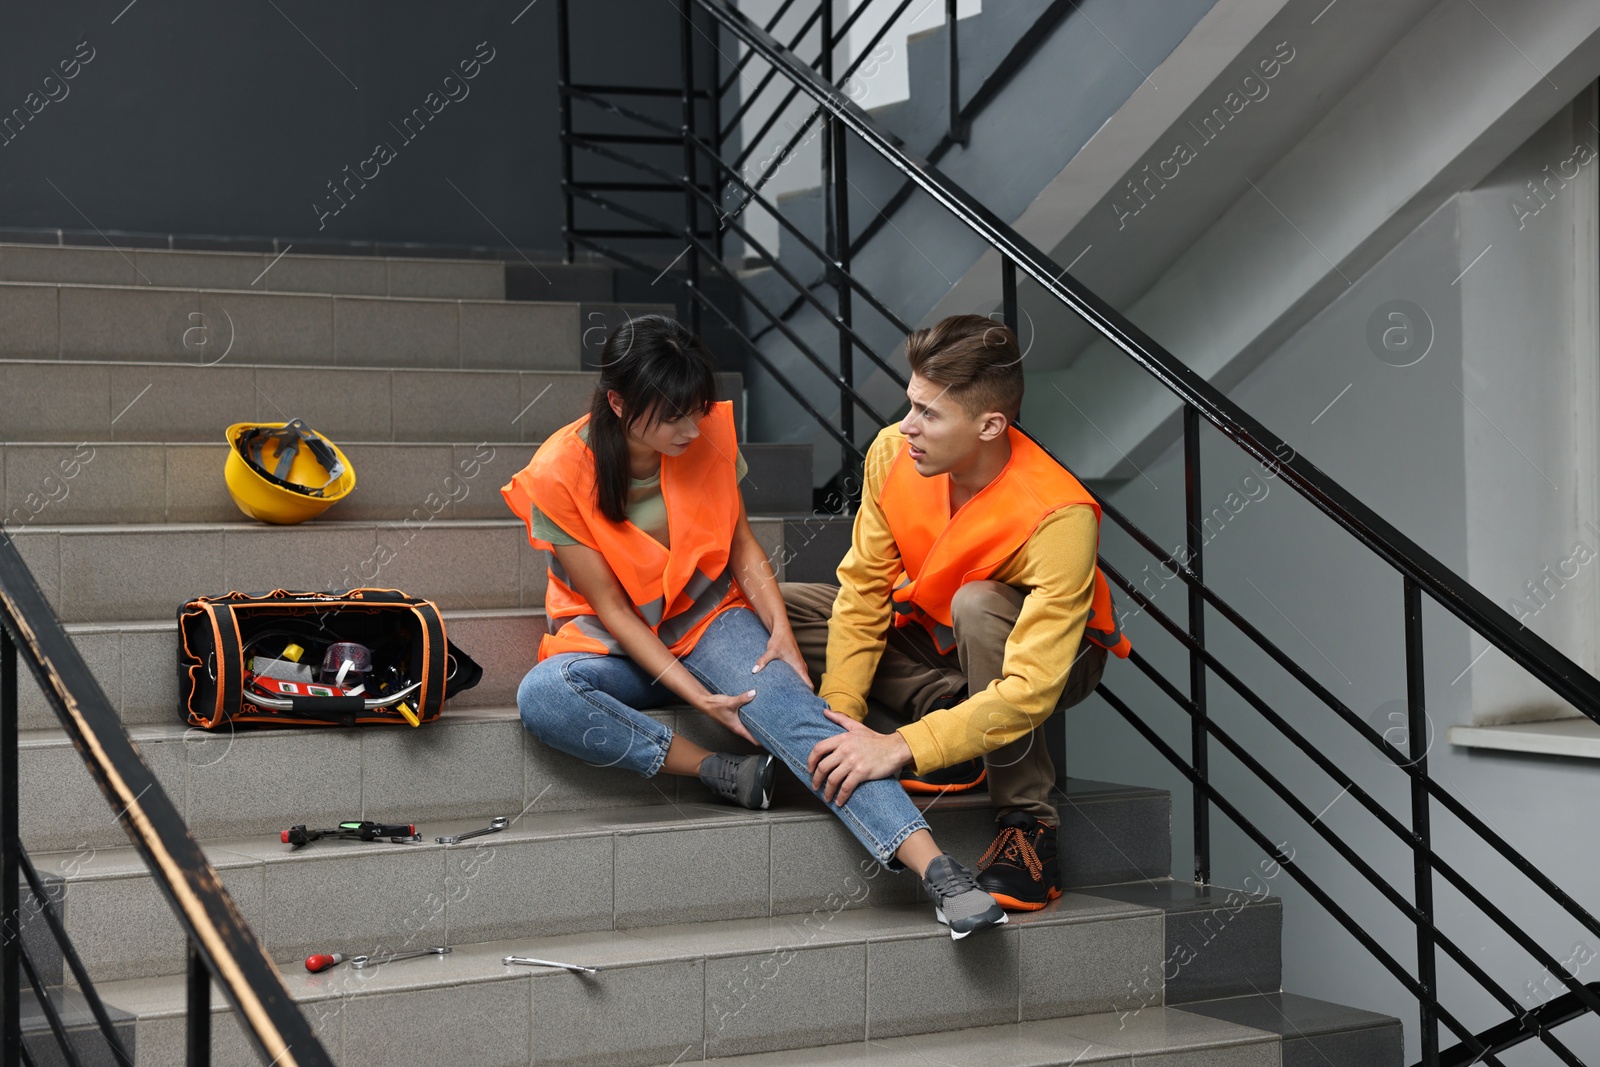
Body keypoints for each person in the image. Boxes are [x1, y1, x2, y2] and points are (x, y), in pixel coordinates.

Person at [501, 315, 1006, 939]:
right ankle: (719, 772)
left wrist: (780, 635)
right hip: (616, 644)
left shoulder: (705, 430)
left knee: (797, 715)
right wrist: (700, 698)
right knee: (544, 695)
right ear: (617, 402)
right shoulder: (556, 471)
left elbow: (741, 547)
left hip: (709, 619)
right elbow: (610, 608)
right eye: (671, 416)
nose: (691, 428)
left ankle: (938, 870)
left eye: (695, 409)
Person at [782, 314, 1130, 912]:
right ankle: (949, 711)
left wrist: (902, 748)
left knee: (978, 604)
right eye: (909, 403)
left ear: (991, 424)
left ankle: (1027, 823)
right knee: (769, 607)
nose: (906, 426)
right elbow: (864, 591)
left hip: (1052, 663)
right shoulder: (893, 452)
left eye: (929, 414)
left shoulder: (1060, 516)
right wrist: (842, 717)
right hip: (931, 628)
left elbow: (1028, 690)